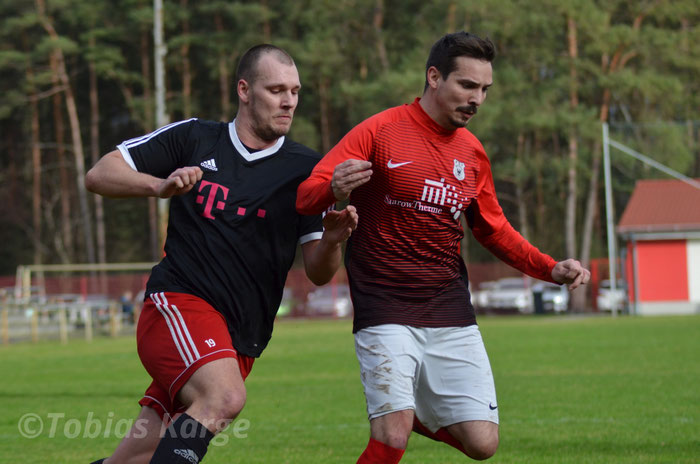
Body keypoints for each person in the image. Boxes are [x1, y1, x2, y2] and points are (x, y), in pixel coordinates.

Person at [296, 31, 590, 463]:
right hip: (385, 304)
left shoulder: (472, 154)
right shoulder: (379, 131)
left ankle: (412, 413)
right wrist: (333, 188)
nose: (478, 99)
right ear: (434, 77)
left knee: (483, 444)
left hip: (449, 307)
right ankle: (400, 415)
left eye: (485, 89)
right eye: (467, 85)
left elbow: (493, 230)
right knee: (390, 437)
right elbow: (307, 194)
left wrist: (550, 268)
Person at [85, 44, 357, 464]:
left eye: (296, 91)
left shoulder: (307, 170)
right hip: (178, 304)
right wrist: (157, 186)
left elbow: (319, 272)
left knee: (136, 457)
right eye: (276, 89)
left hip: (240, 337)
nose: (289, 101)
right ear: (244, 90)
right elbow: (100, 173)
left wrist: (334, 239)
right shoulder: (195, 137)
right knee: (223, 397)